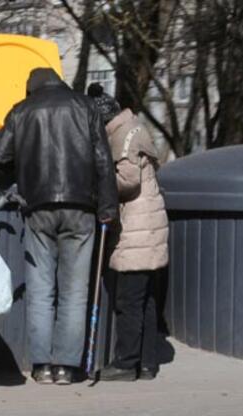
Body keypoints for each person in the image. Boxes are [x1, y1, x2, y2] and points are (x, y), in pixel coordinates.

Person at [0, 69, 119, 385]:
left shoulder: (22, 110)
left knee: (40, 289)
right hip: (81, 208)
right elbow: (103, 159)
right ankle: (66, 367)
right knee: (75, 292)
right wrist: (107, 207)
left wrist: (16, 176)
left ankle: (41, 366)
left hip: (38, 209)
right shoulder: (85, 106)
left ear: (31, 88)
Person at [87, 83, 169, 381]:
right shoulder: (133, 127)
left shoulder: (121, 135)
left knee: (129, 300)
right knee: (145, 300)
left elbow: (129, 179)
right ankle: (147, 364)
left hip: (137, 228)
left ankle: (125, 363)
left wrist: (98, 185)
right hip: (148, 225)